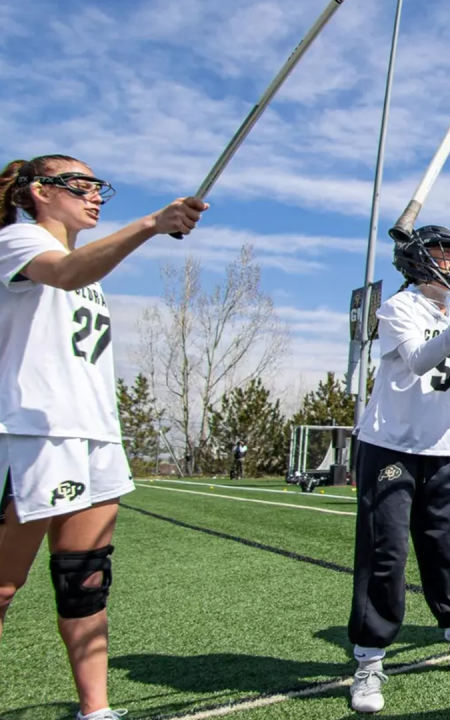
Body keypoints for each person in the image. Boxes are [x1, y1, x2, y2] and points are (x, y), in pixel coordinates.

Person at [0, 154, 206, 720]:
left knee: (85, 582)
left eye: (99, 188)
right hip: (31, 436)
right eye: (81, 186)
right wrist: (150, 224)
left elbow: (79, 275)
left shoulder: (79, 261)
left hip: (93, 438)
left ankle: (96, 711)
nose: (94, 196)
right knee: (1, 588)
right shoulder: (17, 241)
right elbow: (66, 274)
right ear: (38, 191)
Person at [345, 225, 450, 715]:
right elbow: (421, 360)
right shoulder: (401, 307)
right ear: (421, 260)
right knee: (387, 553)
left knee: (446, 550)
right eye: (449, 255)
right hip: (391, 448)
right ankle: (369, 660)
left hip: (441, 449)